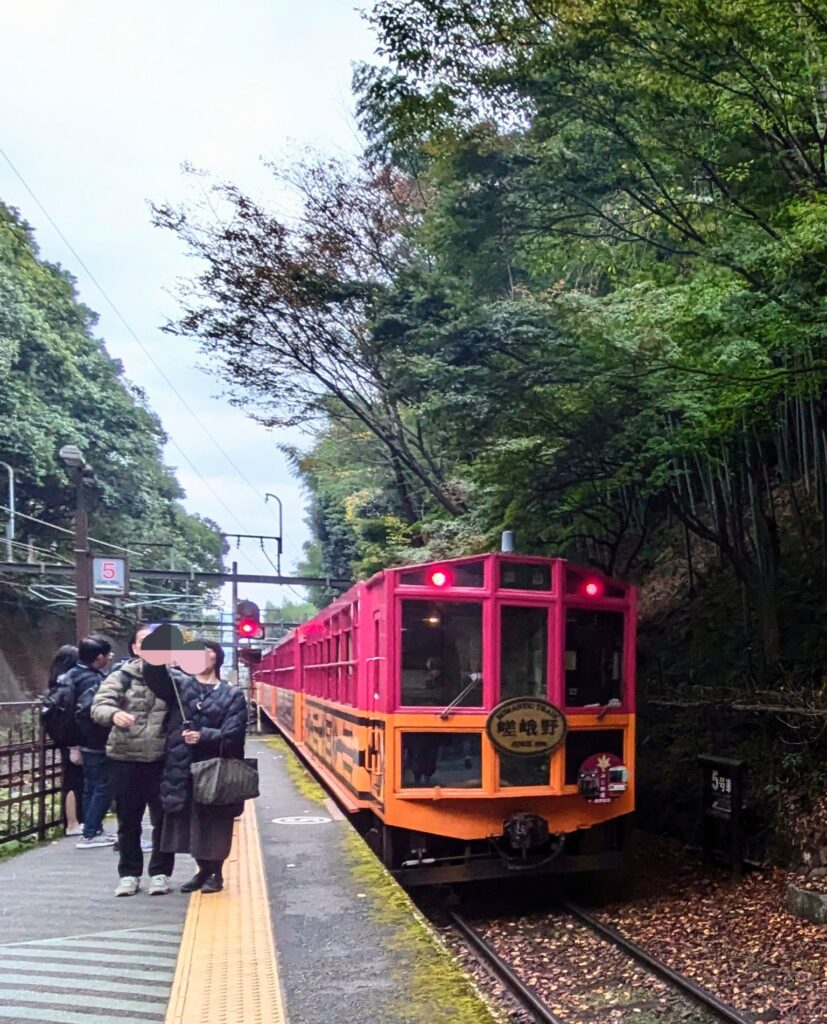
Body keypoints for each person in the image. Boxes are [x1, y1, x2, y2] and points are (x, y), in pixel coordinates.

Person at [144, 640, 246, 894]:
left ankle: (216, 873)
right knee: (188, 824)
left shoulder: (232, 694)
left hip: (215, 769)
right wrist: (157, 652)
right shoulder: (179, 685)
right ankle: (203, 870)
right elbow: (155, 677)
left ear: (216, 658)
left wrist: (204, 736)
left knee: (216, 824)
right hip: (181, 766)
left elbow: (234, 734)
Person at [91, 624, 174, 897]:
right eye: (144, 643)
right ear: (136, 648)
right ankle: (129, 874)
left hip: (162, 759)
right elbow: (99, 705)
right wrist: (113, 714)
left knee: (163, 819)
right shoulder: (121, 677)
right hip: (124, 758)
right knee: (128, 820)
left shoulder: (174, 677)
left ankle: (160, 873)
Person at [55, 635, 115, 848]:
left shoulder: (71, 674)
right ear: (99, 657)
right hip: (96, 739)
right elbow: (89, 710)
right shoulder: (92, 680)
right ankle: (90, 832)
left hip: (80, 740)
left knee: (91, 784)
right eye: (108, 655)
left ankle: (92, 827)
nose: (109, 658)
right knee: (103, 786)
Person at [47, 644, 82, 836]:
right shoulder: (68, 685)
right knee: (73, 780)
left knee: (71, 778)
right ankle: (72, 822)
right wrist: (74, 743)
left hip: (64, 739)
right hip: (71, 740)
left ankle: (73, 821)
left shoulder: (55, 683)